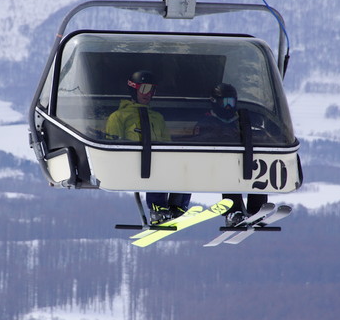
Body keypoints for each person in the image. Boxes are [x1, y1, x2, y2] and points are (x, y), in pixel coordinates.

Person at [105, 70, 191, 224]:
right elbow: (112, 146)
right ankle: (157, 209)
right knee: (156, 165)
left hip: (157, 162)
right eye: (144, 89)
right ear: (134, 89)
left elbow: (168, 145)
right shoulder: (118, 117)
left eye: (152, 90)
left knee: (183, 166)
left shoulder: (157, 118)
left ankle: (177, 206)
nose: (148, 94)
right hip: (134, 164)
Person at [193, 83, 267, 225]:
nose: (228, 107)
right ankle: (234, 211)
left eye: (231, 102)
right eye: (225, 102)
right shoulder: (207, 122)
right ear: (215, 102)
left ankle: (256, 209)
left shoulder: (241, 120)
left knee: (258, 172)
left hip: (243, 159)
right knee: (229, 177)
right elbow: (202, 140)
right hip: (218, 163)